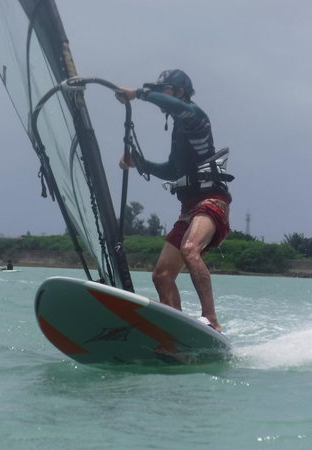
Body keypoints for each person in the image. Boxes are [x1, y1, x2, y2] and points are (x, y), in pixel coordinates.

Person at [116, 69, 233, 332]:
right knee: (162, 275)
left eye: (165, 89)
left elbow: (177, 106)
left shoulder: (195, 118)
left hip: (212, 201)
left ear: (180, 92)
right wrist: (140, 163)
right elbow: (172, 170)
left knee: (190, 249)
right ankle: (175, 328)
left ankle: (211, 320)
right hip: (189, 208)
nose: (161, 94)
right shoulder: (179, 130)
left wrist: (140, 93)